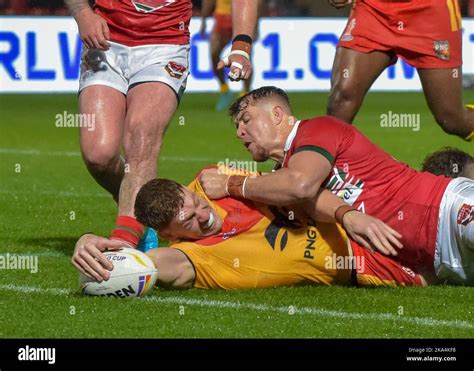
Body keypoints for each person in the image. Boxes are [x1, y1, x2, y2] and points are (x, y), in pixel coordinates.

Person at [199, 86, 474, 284]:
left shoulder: (317, 129)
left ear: (278, 115)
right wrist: (347, 214)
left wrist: (231, 184)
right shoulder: (281, 176)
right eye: (237, 126)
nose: (239, 132)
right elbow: (311, 199)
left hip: (445, 209)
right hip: (442, 262)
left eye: (246, 120)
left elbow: (301, 185)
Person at [65, 0, 259, 250]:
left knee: (142, 131)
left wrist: (241, 45)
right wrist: (83, 13)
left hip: (165, 45)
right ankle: (138, 207)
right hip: (105, 42)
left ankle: (125, 241)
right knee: (98, 155)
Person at [73, 175, 426, 289]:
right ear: (172, 235)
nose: (203, 215)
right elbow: (149, 266)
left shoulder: (214, 181)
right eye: (190, 222)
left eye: (195, 202)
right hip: (365, 265)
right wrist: (92, 247)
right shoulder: (195, 257)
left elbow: (289, 183)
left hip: (359, 211)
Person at [327, 0, 474, 141]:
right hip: (373, 10)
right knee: (342, 96)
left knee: (451, 119)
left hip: (432, 13)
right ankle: (324, 164)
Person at [200, 0, 262, 111]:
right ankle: (225, 89)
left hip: (242, 16)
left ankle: (245, 94)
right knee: (213, 53)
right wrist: (203, 20)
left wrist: (256, 25)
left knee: (245, 57)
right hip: (222, 16)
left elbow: (257, 2)